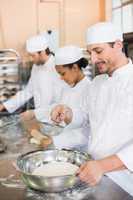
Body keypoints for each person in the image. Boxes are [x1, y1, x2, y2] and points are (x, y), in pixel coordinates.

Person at [50, 22, 133, 193]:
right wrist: (69, 113)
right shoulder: (97, 83)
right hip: (93, 171)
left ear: (117, 45)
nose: (93, 60)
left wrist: (103, 165)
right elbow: (89, 122)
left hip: (125, 180)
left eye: (98, 51)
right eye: (90, 53)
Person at [0, 34, 66, 123]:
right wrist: (4, 106)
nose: (31, 59)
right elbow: (28, 91)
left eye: (32, 55)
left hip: (55, 119)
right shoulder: (36, 66)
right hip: (40, 117)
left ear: (42, 52)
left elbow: (61, 102)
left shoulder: (58, 68)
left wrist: (35, 113)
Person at [35, 45, 91, 151]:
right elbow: (59, 110)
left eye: (63, 73)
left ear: (75, 68)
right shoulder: (67, 87)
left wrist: (57, 141)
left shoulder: (90, 90)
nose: (61, 78)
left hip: (80, 150)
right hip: (63, 146)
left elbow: (88, 131)